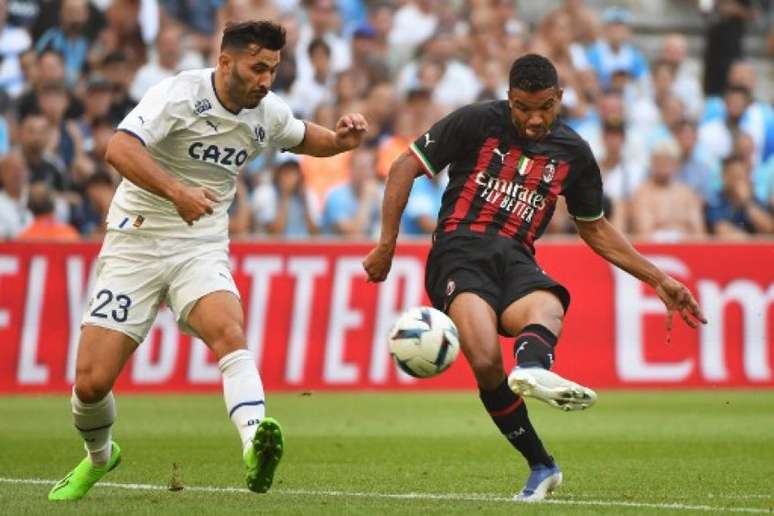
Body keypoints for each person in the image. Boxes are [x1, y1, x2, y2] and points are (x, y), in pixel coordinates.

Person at [48, 20, 367, 501]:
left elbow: (302, 136)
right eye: (258, 68)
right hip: (136, 239)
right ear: (225, 62)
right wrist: (176, 191)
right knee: (91, 384)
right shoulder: (178, 94)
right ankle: (100, 457)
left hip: (199, 245)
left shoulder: (266, 112)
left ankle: (253, 445)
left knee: (229, 331)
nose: (266, 79)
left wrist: (340, 141)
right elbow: (119, 147)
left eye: (273, 70)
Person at [362, 54, 705, 502]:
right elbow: (405, 165)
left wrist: (659, 279)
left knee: (548, 304)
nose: (534, 118)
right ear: (510, 98)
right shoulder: (476, 121)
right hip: (459, 251)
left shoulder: (574, 152)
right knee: (485, 360)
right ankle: (540, 461)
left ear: (559, 98)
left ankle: (533, 371)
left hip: (516, 255)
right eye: (523, 107)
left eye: (544, 106)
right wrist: (387, 243)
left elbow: (594, 226)